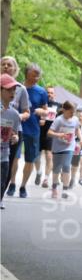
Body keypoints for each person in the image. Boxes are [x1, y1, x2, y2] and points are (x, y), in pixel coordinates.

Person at [14, 63, 49, 198]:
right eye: (35, 75)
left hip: (33, 129)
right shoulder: (16, 88)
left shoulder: (41, 91)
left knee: (30, 159)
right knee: (14, 158)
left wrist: (43, 112)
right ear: (27, 73)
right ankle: (11, 183)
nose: (37, 77)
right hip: (16, 127)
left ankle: (22, 186)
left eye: (38, 75)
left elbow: (46, 111)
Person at [1, 57, 30, 197]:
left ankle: (1, 194)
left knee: (7, 162)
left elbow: (27, 112)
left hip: (12, 128)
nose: (6, 66)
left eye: (9, 65)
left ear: (15, 69)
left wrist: (17, 116)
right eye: (3, 64)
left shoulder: (21, 89)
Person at [46, 101, 79, 200]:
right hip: (58, 147)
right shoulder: (58, 120)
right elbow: (49, 132)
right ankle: (54, 187)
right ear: (64, 110)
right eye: (71, 112)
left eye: (74, 112)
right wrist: (59, 135)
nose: (72, 114)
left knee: (66, 166)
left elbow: (77, 130)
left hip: (69, 146)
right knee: (56, 169)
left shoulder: (75, 119)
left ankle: (65, 189)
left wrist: (79, 141)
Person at [0, 75, 22, 209]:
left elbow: (16, 134)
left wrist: (15, 138)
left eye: (14, 90)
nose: (12, 93)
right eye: (9, 90)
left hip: (4, 156)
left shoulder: (14, 114)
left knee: (1, 185)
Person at [38, 86, 57, 187]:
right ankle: (38, 172)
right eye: (48, 92)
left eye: (51, 93)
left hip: (50, 133)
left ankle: (45, 179)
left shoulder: (58, 106)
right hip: (39, 132)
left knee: (49, 155)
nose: (49, 94)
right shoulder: (40, 104)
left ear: (54, 95)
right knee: (36, 157)